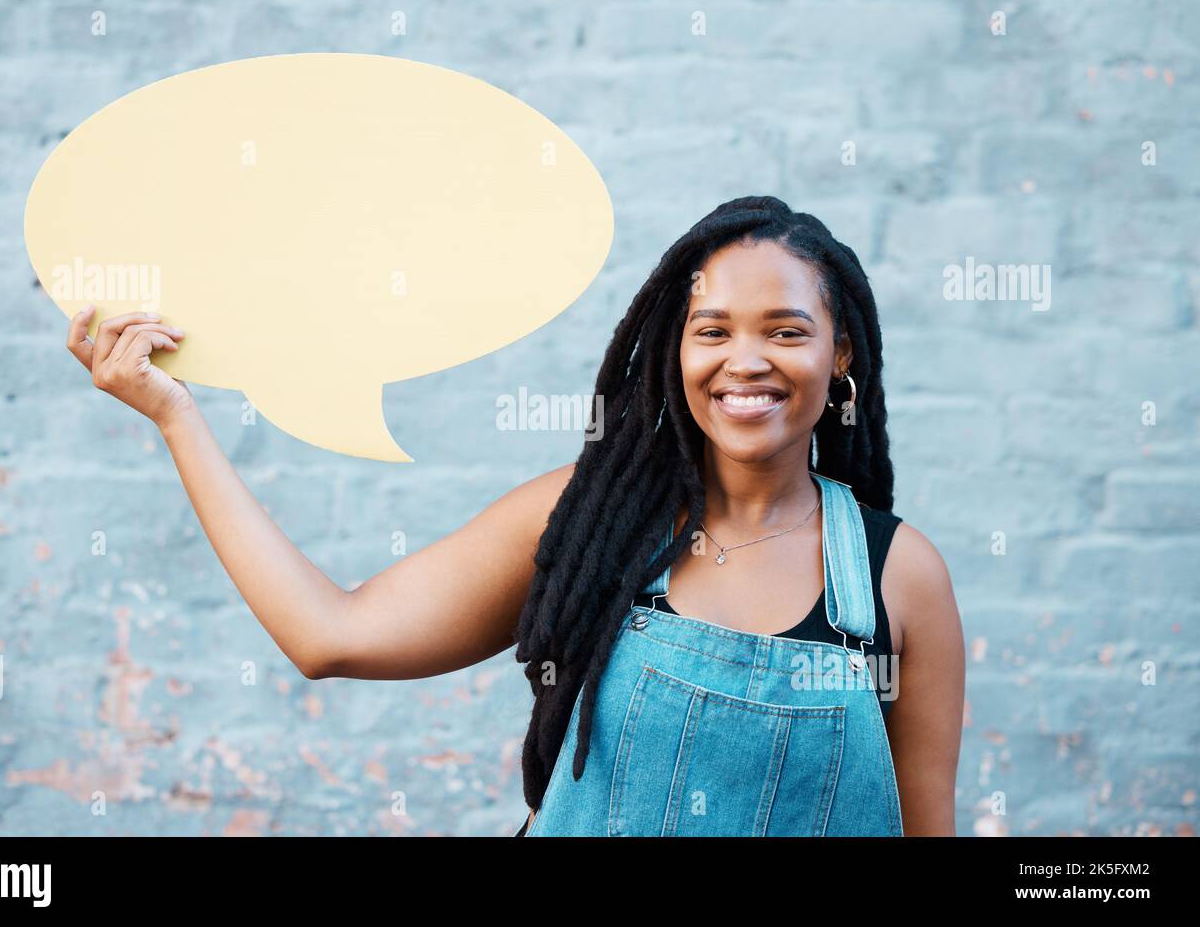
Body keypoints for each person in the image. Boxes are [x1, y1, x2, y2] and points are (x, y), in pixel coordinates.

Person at [63, 195, 964, 837]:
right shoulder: (586, 528)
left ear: (840, 352)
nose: (746, 360)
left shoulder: (897, 579)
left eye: (786, 330)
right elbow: (328, 635)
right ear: (674, 351)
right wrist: (177, 417)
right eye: (713, 329)